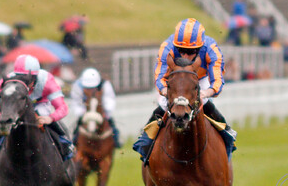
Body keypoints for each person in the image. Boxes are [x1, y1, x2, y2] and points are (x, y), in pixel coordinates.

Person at [132, 18, 236, 162]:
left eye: (191, 51)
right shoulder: (167, 48)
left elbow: (217, 81)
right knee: (163, 103)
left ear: (200, 47)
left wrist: (206, 92)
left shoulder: (211, 49)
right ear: (175, 46)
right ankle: (146, 140)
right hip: (175, 78)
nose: (185, 56)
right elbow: (160, 78)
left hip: (200, 78)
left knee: (203, 100)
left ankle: (226, 135)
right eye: (181, 51)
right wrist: (165, 91)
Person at [0, 54, 74, 161]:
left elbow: (62, 108)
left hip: (40, 105)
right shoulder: (5, 82)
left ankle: (65, 143)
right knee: (6, 127)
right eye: (20, 76)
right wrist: (5, 115)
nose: (25, 81)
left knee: (43, 114)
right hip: (17, 109)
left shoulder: (47, 81)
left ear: (36, 76)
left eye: (28, 78)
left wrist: (50, 118)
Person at [69, 68, 120, 148]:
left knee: (112, 125)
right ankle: (74, 142)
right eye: (87, 88)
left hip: (101, 110)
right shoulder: (77, 85)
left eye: (92, 87)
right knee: (77, 128)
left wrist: (103, 111)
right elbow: (75, 102)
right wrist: (83, 113)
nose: (90, 90)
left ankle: (116, 140)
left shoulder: (105, 85)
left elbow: (110, 100)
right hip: (85, 111)